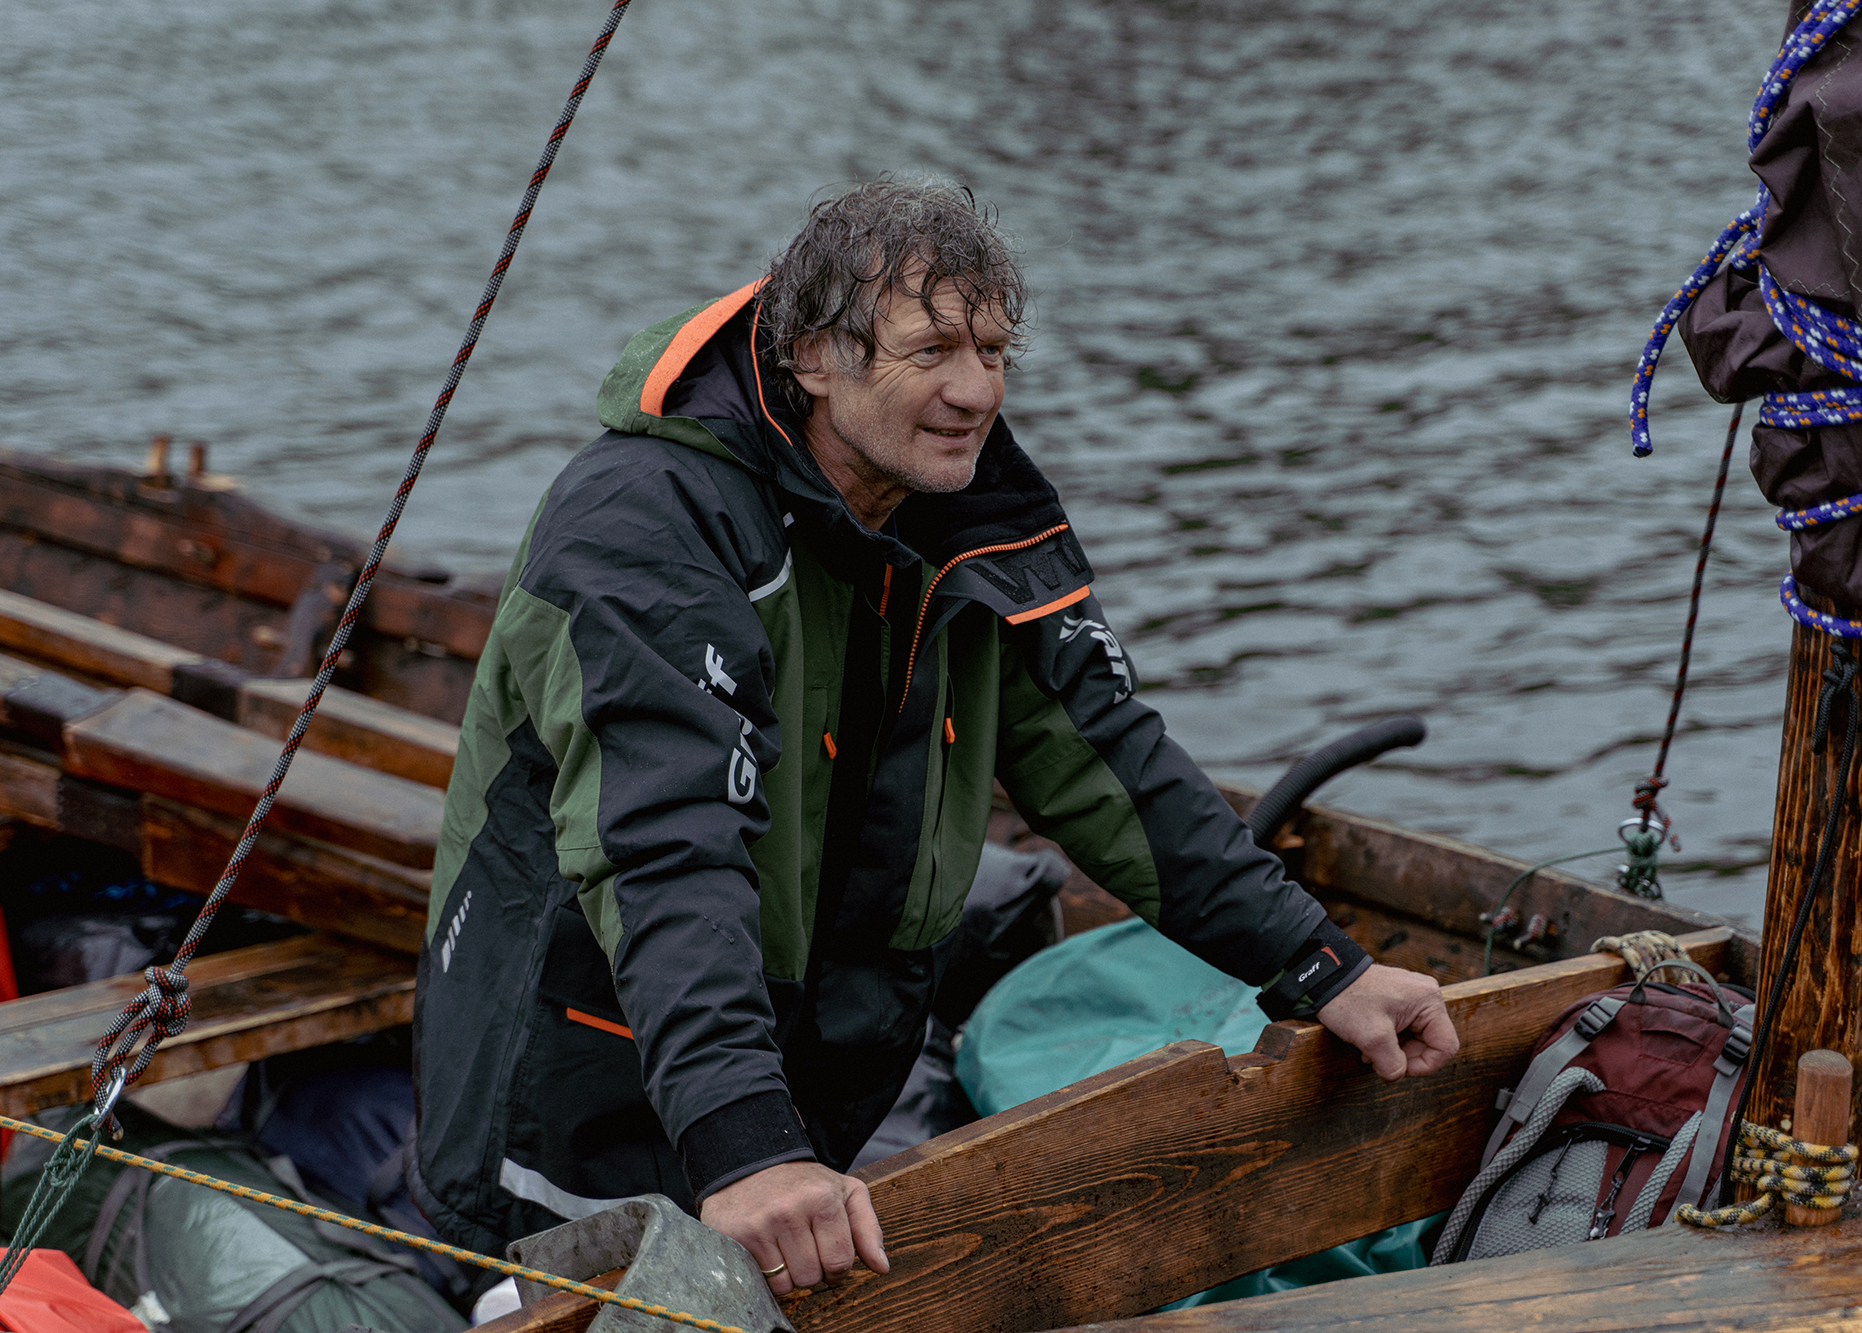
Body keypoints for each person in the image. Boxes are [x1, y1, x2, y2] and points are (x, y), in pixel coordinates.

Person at [410, 177, 1459, 1294]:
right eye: (933, 350)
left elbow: (1111, 765)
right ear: (814, 354)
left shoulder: (969, 512)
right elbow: (666, 841)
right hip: (586, 1068)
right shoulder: (642, 519)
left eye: (996, 352)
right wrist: (746, 1141)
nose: (975, 391)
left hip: (794, 1080)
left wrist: (1321, 965)